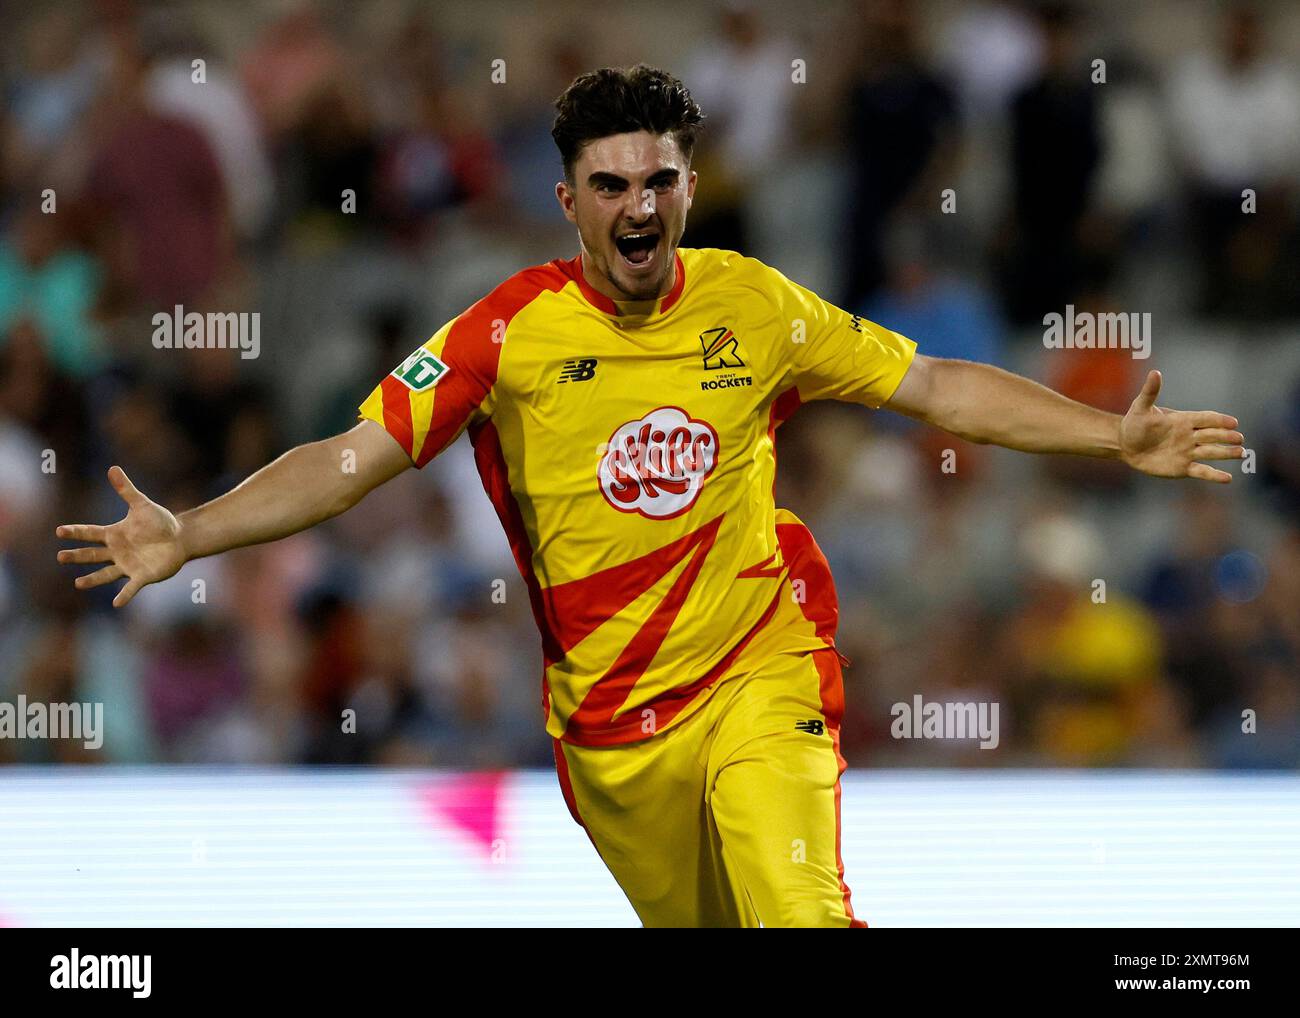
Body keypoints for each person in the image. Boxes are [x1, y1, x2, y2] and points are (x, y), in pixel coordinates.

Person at [56, 65, 1245, 928]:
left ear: (687, 188)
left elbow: (930, 384)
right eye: (610, 182)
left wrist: (1108, 436)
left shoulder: (754, 304)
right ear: (568, 201)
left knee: (801, 909)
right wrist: (193, 531)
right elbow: (350, 457)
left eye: (660, 179)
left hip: (757, 669)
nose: (639, 203)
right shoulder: (505, 331)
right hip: (613, 733)